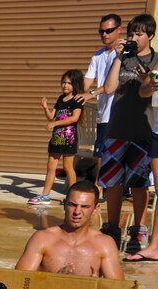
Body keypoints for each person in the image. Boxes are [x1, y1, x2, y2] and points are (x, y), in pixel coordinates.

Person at [100, 13, 156, 250]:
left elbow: (149, 92)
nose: (134, 37)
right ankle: (112, 228)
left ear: (150, 36)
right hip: (117, 128)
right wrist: (117, 58)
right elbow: (111, 88)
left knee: (138, 184)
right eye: (131, 33)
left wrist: (146, 79)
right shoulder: (123, 59)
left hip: (142, 129)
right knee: (112, 183)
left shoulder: (155, 60)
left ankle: (137, 231)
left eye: (139, 33)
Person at [16, 181, 124, 277]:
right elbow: (19, 281)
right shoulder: (43, 239)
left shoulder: (104, 244)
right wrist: (54, 280)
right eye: (72, 205)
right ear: (64, 205)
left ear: (95, 209)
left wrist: (97, 285)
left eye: (84, 206)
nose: (77, 212)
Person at [30, 70, 85, 206]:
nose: (65, 85)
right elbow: (51, 117)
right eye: (63, 82)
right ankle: (45, 195)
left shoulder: (77, 100)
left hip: (69, 139)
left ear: (75, 85)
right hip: (56, 138)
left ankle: (73, 197)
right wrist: (45, 108)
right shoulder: (60, 99)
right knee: (50, 166)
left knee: (68, 167)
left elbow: (74, 118)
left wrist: (55, 123)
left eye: (69, 83)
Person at [83, 15, 123, 199]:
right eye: (101, 31)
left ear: (119, 30)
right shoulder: (98, 55)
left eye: (108, 30)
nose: (104, 34)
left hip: (120, 113)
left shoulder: (125, 54)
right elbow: (87, 82)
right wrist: (79, 93)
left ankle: (110, 188)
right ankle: (99, 189)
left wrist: (91, 93)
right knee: (100, 152)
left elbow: (110, 86)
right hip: (103, 113)